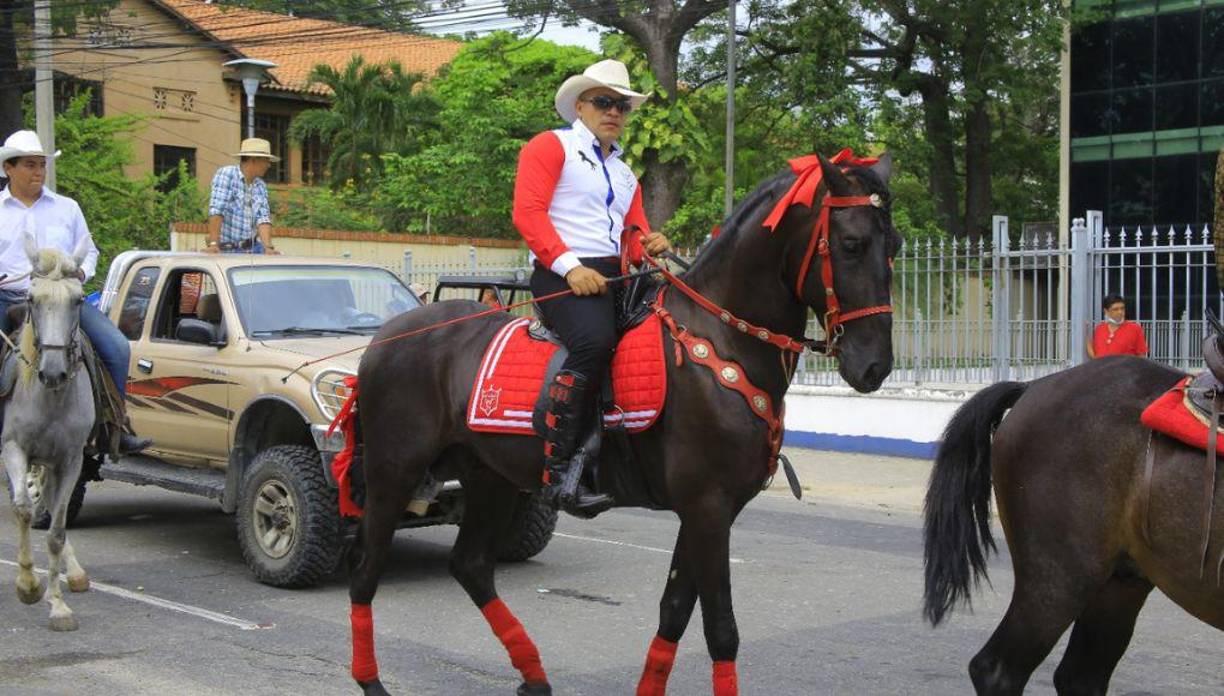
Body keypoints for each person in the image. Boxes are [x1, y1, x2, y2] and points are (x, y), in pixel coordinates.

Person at [512, 59, 671, 515]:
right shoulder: (550, 147)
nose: (614, 112)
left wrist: (650, 243)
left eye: (621, 105)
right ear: (580, 106)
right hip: (560, 272)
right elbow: (529, 214)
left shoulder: (625, 174)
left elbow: (633, 235)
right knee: (595, 343)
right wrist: (569, 268)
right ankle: (561, 469)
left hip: (615, 274)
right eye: (604, 102)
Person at [0, 130, 151, 453]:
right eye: (30, 165)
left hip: (62, 299)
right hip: (9, 296)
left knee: (117, 347)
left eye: (41, 164)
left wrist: (82, 271)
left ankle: (114, 426)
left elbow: (91, 251)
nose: (39, 171)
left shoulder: (67, 207)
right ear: (9, 168)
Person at [205, 138, 281, 255]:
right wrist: (214, 244)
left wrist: (267, 248)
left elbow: (263, 218)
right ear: (253, 160)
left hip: (252, 248)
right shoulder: (227, 174)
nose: (268, 165)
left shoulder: (260, 186)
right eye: (266, 160)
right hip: (227, 249)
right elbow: (217, 209)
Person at [1088, 294, 1148, 359]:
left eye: (1122, 308)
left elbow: (1141, 356)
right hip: (1101, 368)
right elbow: (1095, 355)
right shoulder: (1100, 329)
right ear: (1106, 311)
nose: (1120, 312)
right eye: (1115, 309)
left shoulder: (1135, 329)